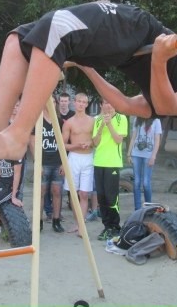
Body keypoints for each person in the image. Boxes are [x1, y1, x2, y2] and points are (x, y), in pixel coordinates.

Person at [0, 1, 177, 169]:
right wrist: (89, 69)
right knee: (20, 39)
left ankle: (18, 135)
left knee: (57, 26)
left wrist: (159, 60)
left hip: (139, 32)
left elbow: (166, 104)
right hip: (126, 48)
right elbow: (124, 104)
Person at [93, 99, 128, 241]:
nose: (109, 105)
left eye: (111, 102)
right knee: (101, 197)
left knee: (111, 197)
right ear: (101, 105)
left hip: (112, 163)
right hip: (99, 162)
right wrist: (102, 125)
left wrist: (109, 124)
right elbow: (95, 143)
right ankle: (106, 226)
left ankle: (115, 227)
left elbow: (118, 140)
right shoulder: (97, 120)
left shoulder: (122, 118)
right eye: (106, 103)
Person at [30, 96, 65, 233]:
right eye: (49, 101)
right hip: (43, 163)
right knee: (41, 192)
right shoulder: (37, 121)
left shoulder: (60, 122)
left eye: (54, 101)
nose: (51, 104)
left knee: (57, 192)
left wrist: (63, 163)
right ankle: (38, 222)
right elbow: (32, 143)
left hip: (57, 162)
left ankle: (56, 220)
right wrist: (37, 162)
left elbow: (64, 143)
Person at [62, 93, 95, 236]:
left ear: (87, 104)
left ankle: (82, 225)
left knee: (84, 193)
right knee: (73, 192)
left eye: (84, 102)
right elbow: (63, 144)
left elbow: (97, 141)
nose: (81, 104)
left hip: (88, 158)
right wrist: (76, 146)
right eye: (79, 101)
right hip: (74, 158)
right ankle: (77, 222)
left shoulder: (93, 121)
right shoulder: (69, 122)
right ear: (74, 103)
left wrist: (90, 143)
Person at [127, 117, 161, 210]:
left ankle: (148, 208)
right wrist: (129, 154)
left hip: (149, 154)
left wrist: (153, 156)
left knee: (146, 182)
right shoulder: (137, 119)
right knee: (137, 181)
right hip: (136, 153)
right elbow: (133, 137)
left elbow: (157, 140)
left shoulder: (156, 121)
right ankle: (137, 209)